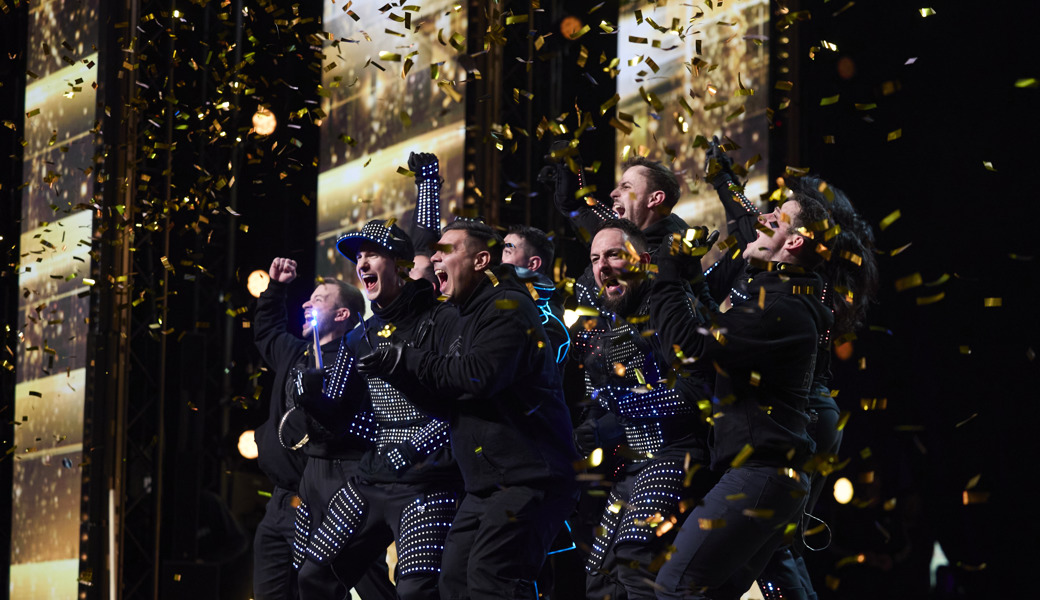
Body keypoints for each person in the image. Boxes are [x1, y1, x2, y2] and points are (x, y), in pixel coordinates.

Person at [648, 177, 874, 599]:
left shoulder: (783, 306)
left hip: (761, 477)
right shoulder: (780, 297)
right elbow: (719, 330)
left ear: (795, 242)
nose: (763, 218)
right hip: (771, 478)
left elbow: (692, 345)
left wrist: (667, 273)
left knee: (675, 587)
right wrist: (689, 277)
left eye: (776, 217)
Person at [357, 219, 580, 600]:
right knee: (455, 583)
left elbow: (478, 377)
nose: (435, 258)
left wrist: (406, 360)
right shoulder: (462, 316)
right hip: (487, 484)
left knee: (492, 580)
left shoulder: (508, 306)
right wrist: (397, 374)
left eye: (447, 251)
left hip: (530, 477)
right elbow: (447, 401)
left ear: (480, 260)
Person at [298, 220, 462, 600]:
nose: (362, 263)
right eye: (358, 257)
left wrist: (414, 448)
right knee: (313, 578)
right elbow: (337, 416)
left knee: (416, 593)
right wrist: (312, 399)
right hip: (375, 476)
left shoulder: (441, 320)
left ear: (401, 264)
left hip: (429, 481)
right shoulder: (361, 334)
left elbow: (460, 403)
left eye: (372, 254)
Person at [573, 220, 714, 599]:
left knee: (634, 557)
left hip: (676, 456)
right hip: (632, 466)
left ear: (643, 261)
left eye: (614, 255)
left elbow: (695, 395)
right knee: (600, 580)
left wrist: (620, 409)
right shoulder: (601, 325)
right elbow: (596, 402)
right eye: (595, 258)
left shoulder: (669, 307)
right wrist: (592, 428)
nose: (602, 266)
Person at [252, 259, 395, 600]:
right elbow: (266, 330)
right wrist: (276, 287)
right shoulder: (295, 352)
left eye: (317, 300)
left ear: (343, 314)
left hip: (333, 492)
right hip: (282, 501)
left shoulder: (357, 361)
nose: (306, 304)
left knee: (355, 583)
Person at [501, 224, 570, 367]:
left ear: (533, 264)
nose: (499, 259)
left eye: (507, 251)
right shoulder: (497, 295)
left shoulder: (548, 318)